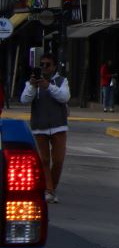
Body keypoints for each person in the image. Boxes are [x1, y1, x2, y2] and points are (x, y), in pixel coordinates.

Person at [21, 54, 70, 203]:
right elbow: (24, 100)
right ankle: (49, 190)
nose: (44, 67)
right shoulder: (32, 83)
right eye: (42, 64)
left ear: (54, 67)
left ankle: (51, 188)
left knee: (58, 160)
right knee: (44, 160)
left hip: (58, 126)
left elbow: (65, 97)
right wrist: (32, 86)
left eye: (47, 64)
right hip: (39, 126)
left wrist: (48, 86)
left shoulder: (62, 81)